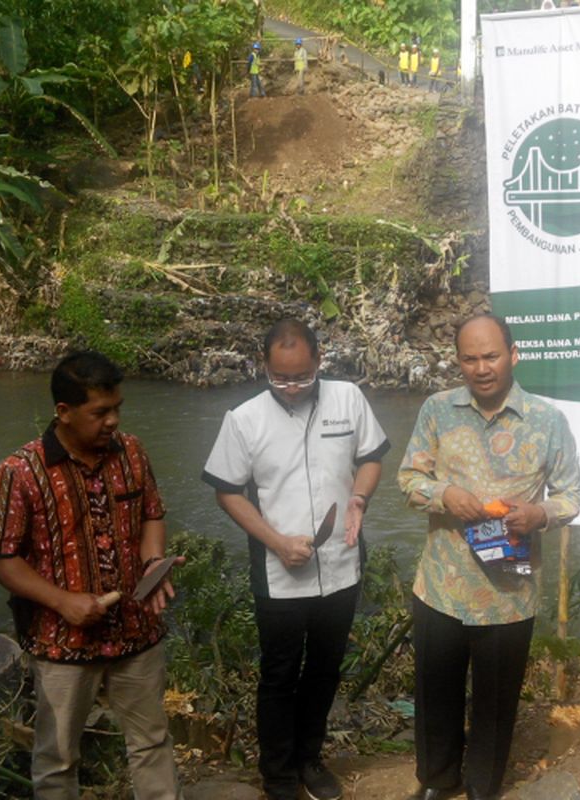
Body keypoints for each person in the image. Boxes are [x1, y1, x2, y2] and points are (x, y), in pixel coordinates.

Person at [0, 351, 183, 800]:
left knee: (151, 742)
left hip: (137, 630)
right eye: (100, 412)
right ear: (64, 412)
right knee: (57, 760)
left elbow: (152, 515)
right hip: (61, 643)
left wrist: (153, 563)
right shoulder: (20, 472)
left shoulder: (131, 451)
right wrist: (62, 601)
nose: (112, 421)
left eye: (117, 409)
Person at [202, 319, 390, 800]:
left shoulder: (347, 399)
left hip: (341, 561)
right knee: (280, 673)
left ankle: (310, 758)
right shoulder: (244, 419)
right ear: (264, 365)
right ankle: (279, 774)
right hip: (279, 572)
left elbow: (371, 458)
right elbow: (227, 492)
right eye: (280, 377)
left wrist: (359, 499)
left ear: (319, 360)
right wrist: (276, 541)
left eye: (302, 377)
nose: (291, 387)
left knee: (326, 667)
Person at [398, 315, 580, 800]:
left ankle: (483, 785)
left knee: (496, 701)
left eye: (491, 356)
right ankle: (439, 780)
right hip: (441, 583)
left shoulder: (547, 421)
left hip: (509, 592)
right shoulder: (437, 410)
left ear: (513, 355)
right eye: (470, 358)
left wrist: (539, 514)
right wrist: (444, 493)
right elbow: (408, 480)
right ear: (458, 360)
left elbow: (571, 497)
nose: (481, 368)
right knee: (435, 693)